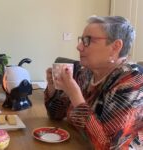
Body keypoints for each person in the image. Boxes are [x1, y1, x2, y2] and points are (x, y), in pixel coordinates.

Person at [44, 16, 143, 149]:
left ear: (115, 47)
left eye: (87, 40)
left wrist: (75, 97)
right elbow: (55, 115)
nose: (78, 47)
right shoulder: (86, 72)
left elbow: (108, 145)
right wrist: (52, 88)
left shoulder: (132, 81)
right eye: (81, 40)